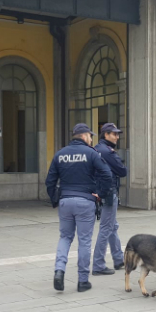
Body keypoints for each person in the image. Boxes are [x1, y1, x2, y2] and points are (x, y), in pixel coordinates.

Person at [46, 123, 112, 292]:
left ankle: (59, 270)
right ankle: (83, 281)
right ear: (83, 136)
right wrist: (100, 194)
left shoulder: (60, 154)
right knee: (84, 240)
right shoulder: (91, 154)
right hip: (85, 201)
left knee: (65, 237)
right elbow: (107, 175)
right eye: (90, 136)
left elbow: (50, 181)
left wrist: (55, 199)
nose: (91, 139)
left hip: (65, 201)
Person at [92, 123, 128, 276]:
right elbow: (122, 171)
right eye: (114, 134)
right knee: (106, 227)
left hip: (99, 192)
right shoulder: (107, 152)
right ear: (105, 135)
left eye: (118, 134)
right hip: (108, 192)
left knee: (112, 226)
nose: (117, 137)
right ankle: (98, 265)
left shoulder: (94, 149)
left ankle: (119, 258)